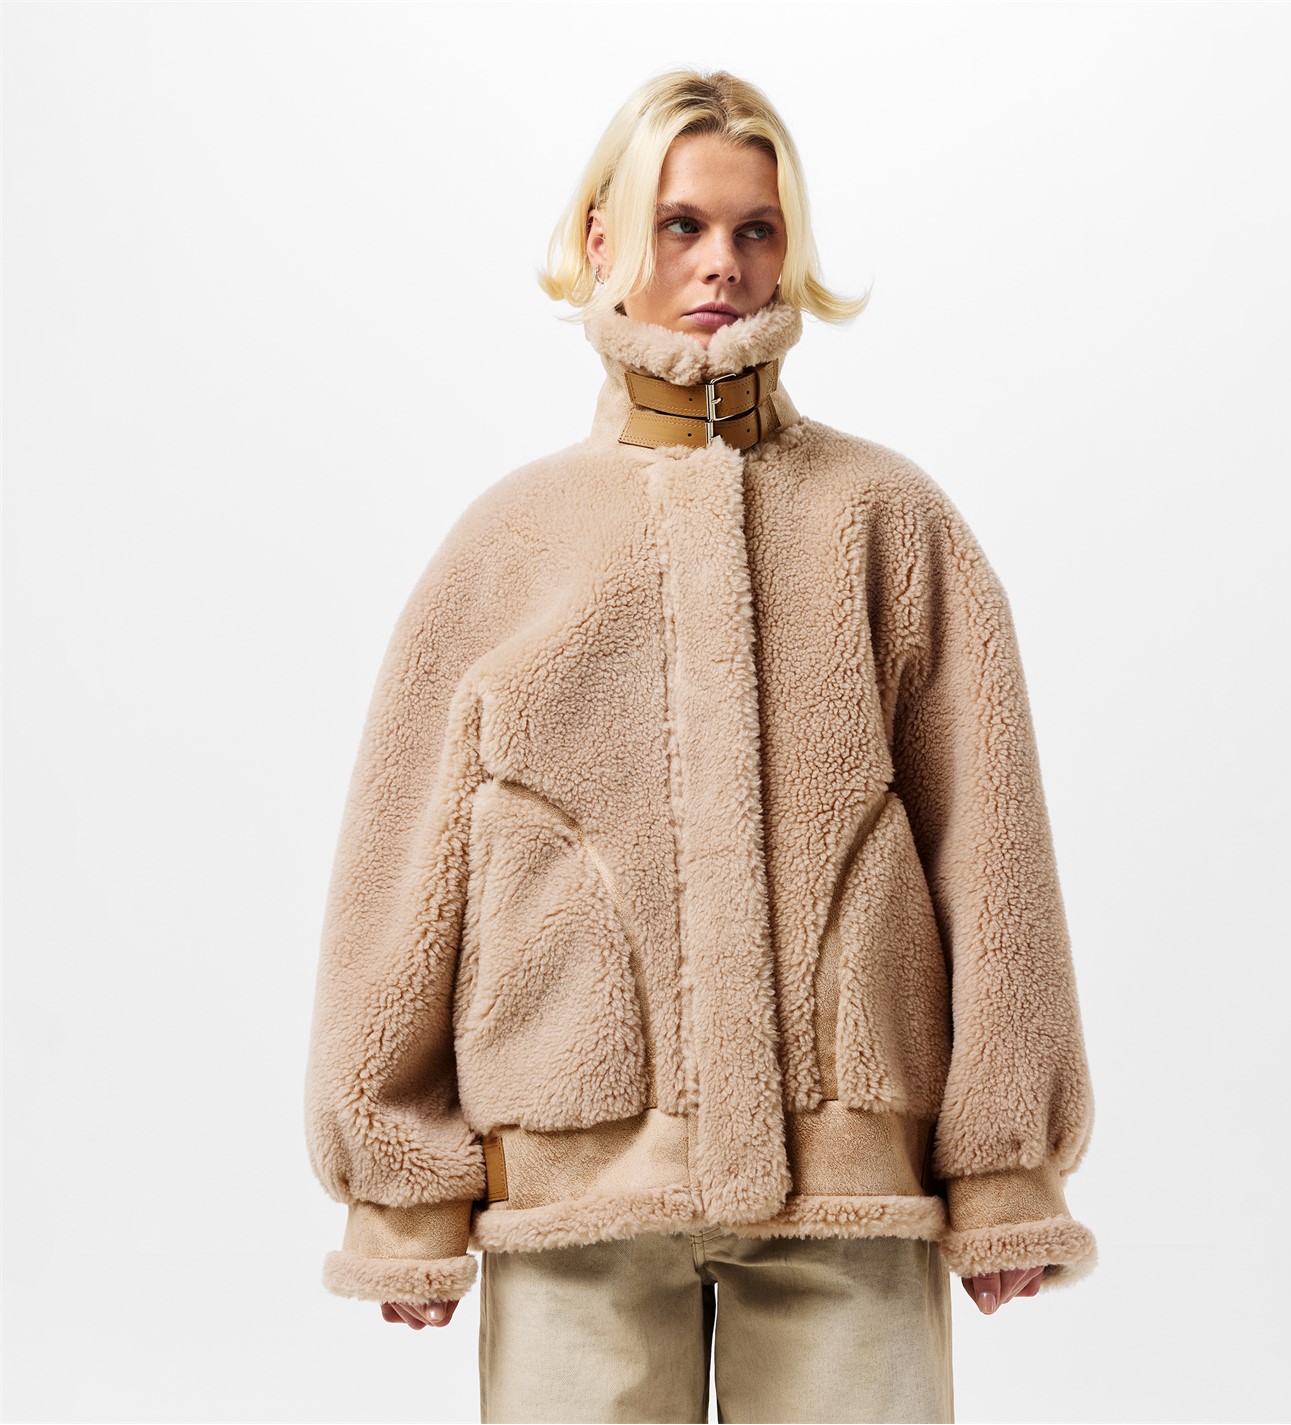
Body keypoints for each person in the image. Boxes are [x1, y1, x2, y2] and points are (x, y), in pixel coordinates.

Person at [304, 67, 1097, 1424]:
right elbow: (401, 875)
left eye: (755, 229)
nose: (720, 263)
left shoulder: (886, 518)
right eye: (681, 224)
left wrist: (1005, 1171)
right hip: (573, 1182)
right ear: (602, 237)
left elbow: (993, 855)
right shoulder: (511, 541)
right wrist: (401, 1192)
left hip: (849, 1179)